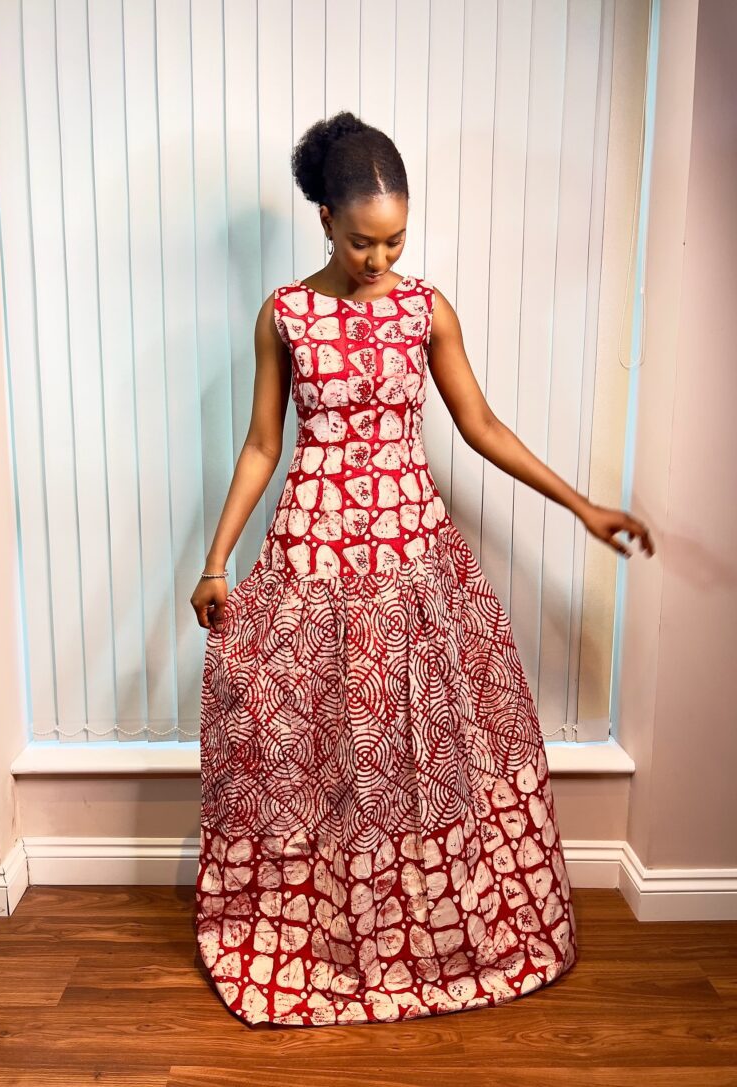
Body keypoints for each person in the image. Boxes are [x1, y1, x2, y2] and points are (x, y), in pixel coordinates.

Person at [190, 110, 655, 1030]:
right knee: (324, 749)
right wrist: (216, 560)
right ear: (324, 218)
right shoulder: (283, 315)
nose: (380, 258)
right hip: (312, 557)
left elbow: (481, 427)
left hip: (413, 558)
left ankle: (432, 932)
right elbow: (260, 445)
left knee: (425, 743)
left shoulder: (423, 309)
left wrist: (583, 504)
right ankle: (325, 934)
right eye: (364, 240)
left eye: (397, 238)